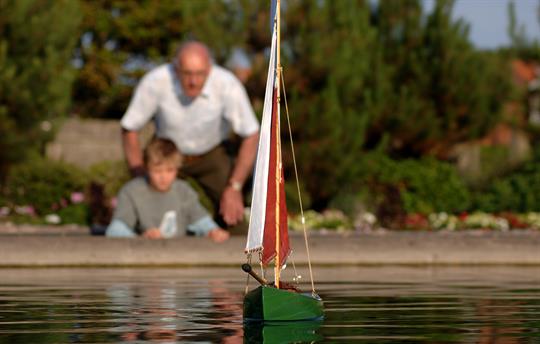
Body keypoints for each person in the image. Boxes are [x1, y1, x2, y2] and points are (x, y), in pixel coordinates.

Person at [120, 41, 259, 233]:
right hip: (166, 152)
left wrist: (235, 186)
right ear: (176, 68)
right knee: (150, 214)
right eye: (187, 74)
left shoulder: (227, 84)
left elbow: (251, 133)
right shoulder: (156, 81)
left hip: (212, 153)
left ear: (210, 70)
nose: (193, 81)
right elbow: (129, 127)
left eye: (200, 74)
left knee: (234, 220)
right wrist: (139, 173)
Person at [106, 138, 230, 242]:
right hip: (142, 256)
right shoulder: (131, 191)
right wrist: (140, 238)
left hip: (178, 256)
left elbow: (202, 221)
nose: (163, 177)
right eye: (157, 171)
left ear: (177, 169)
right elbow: (115, 230)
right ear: (146, 168)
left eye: (170, 170)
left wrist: (214, 231)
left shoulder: (183, 190)